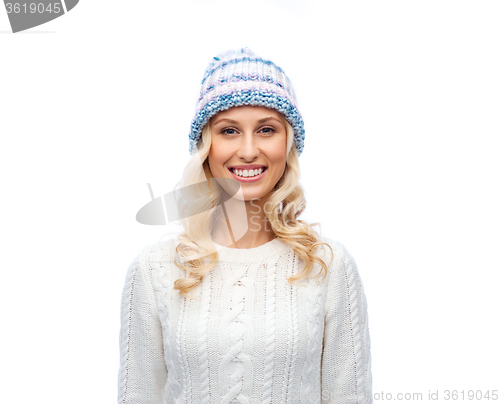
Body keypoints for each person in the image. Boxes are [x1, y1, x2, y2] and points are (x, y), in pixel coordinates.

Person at [118, 48, 373, 404]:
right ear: (206, 146)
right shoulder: (154, 269)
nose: (249, 150)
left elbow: (350, 395)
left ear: (288, 144)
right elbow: (138, 395)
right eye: (229, 131)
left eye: (267, 129)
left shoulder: (328, 266)